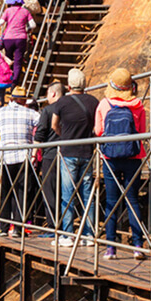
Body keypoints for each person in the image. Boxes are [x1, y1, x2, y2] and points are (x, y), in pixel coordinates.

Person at [94, 68, 147, 259]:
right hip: (133, 156)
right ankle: (138, 246)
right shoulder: (138, 105)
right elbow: (142, 132)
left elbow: (99, 132)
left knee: (111, 201)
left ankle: (110, 247)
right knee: (132, 200)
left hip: (110, 158)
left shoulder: (104, 104)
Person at [0, 86, 40, 238]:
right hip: (24, 157)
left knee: (5, 192)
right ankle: (17, 228)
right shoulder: (31, 113)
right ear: (23, 100)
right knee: (22, 192)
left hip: (6, 157)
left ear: (11, 98)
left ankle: (3, 228)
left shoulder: (1, 112)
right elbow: (42, 126)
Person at [50, 69, 99, 247]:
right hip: (87, 151)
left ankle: (67, 235)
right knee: (88, 195)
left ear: (69, 85)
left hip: (68, 152)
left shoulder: (62, 102)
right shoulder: (93, 101)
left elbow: (54, 124)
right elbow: (98, 125)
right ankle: (89, 235)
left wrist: (64, 135)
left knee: (67, 194)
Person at [34, 82, 64, 228]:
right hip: (67, 153)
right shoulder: (68, 108)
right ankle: (66, 224)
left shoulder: (48, 110)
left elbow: (40, 132)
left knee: (49, 190)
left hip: (50, 154)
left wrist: (34, 154)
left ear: (52, 93)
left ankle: (53, 225)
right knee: (65, 189)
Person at [0, 0, 36, 85]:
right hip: (21, 39)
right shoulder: (25, 11)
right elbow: (33, 25)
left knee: (7, 58)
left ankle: (7, 78)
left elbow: (1, 22)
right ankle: (15, 82)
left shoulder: (8, 11)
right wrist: (27, 30)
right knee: (18, 61)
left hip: (8, 38)